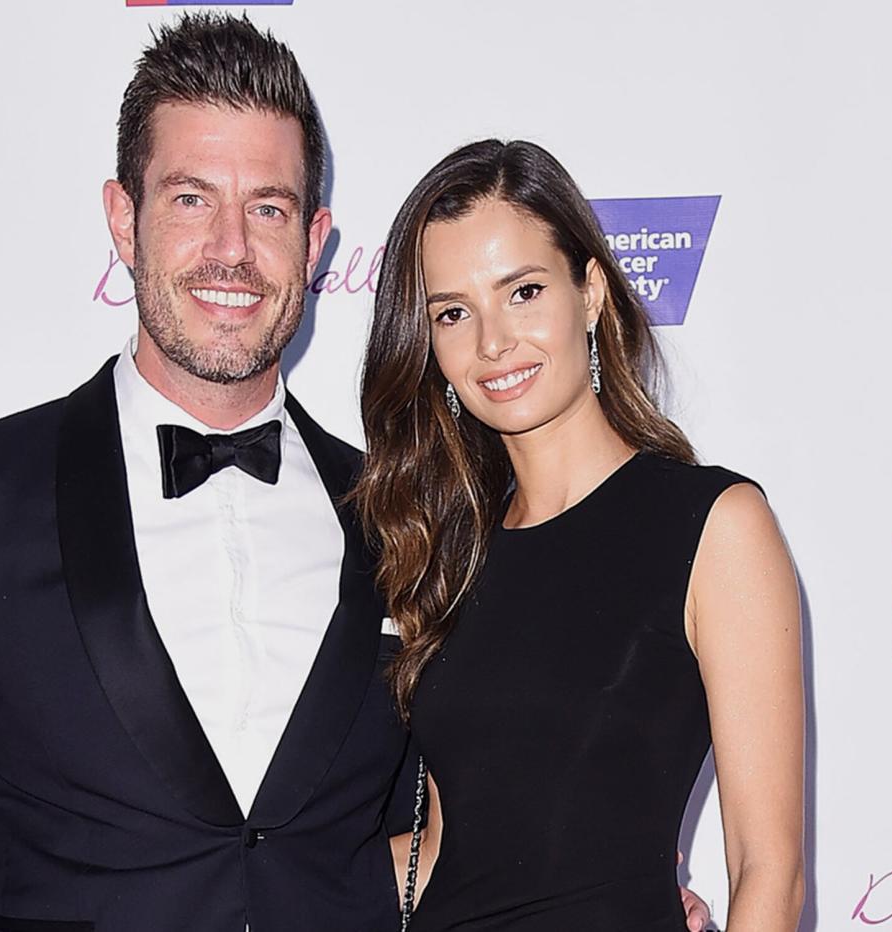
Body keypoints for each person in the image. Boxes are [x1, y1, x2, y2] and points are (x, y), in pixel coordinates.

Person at [0, 14, 711, 932]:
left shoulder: (404, 513)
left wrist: (615, 885)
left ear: (317, 238)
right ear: (123, 219)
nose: (232, 250)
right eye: (191, 198)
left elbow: (462, 806)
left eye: (270, 208)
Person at [356, 140, 805, 931]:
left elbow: (770, 873)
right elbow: (450, 845)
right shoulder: (447, 551)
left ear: (590, 293)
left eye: (523, 292)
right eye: (453, 313)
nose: (492, 343)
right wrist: (241, 878)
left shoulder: (714, 528)